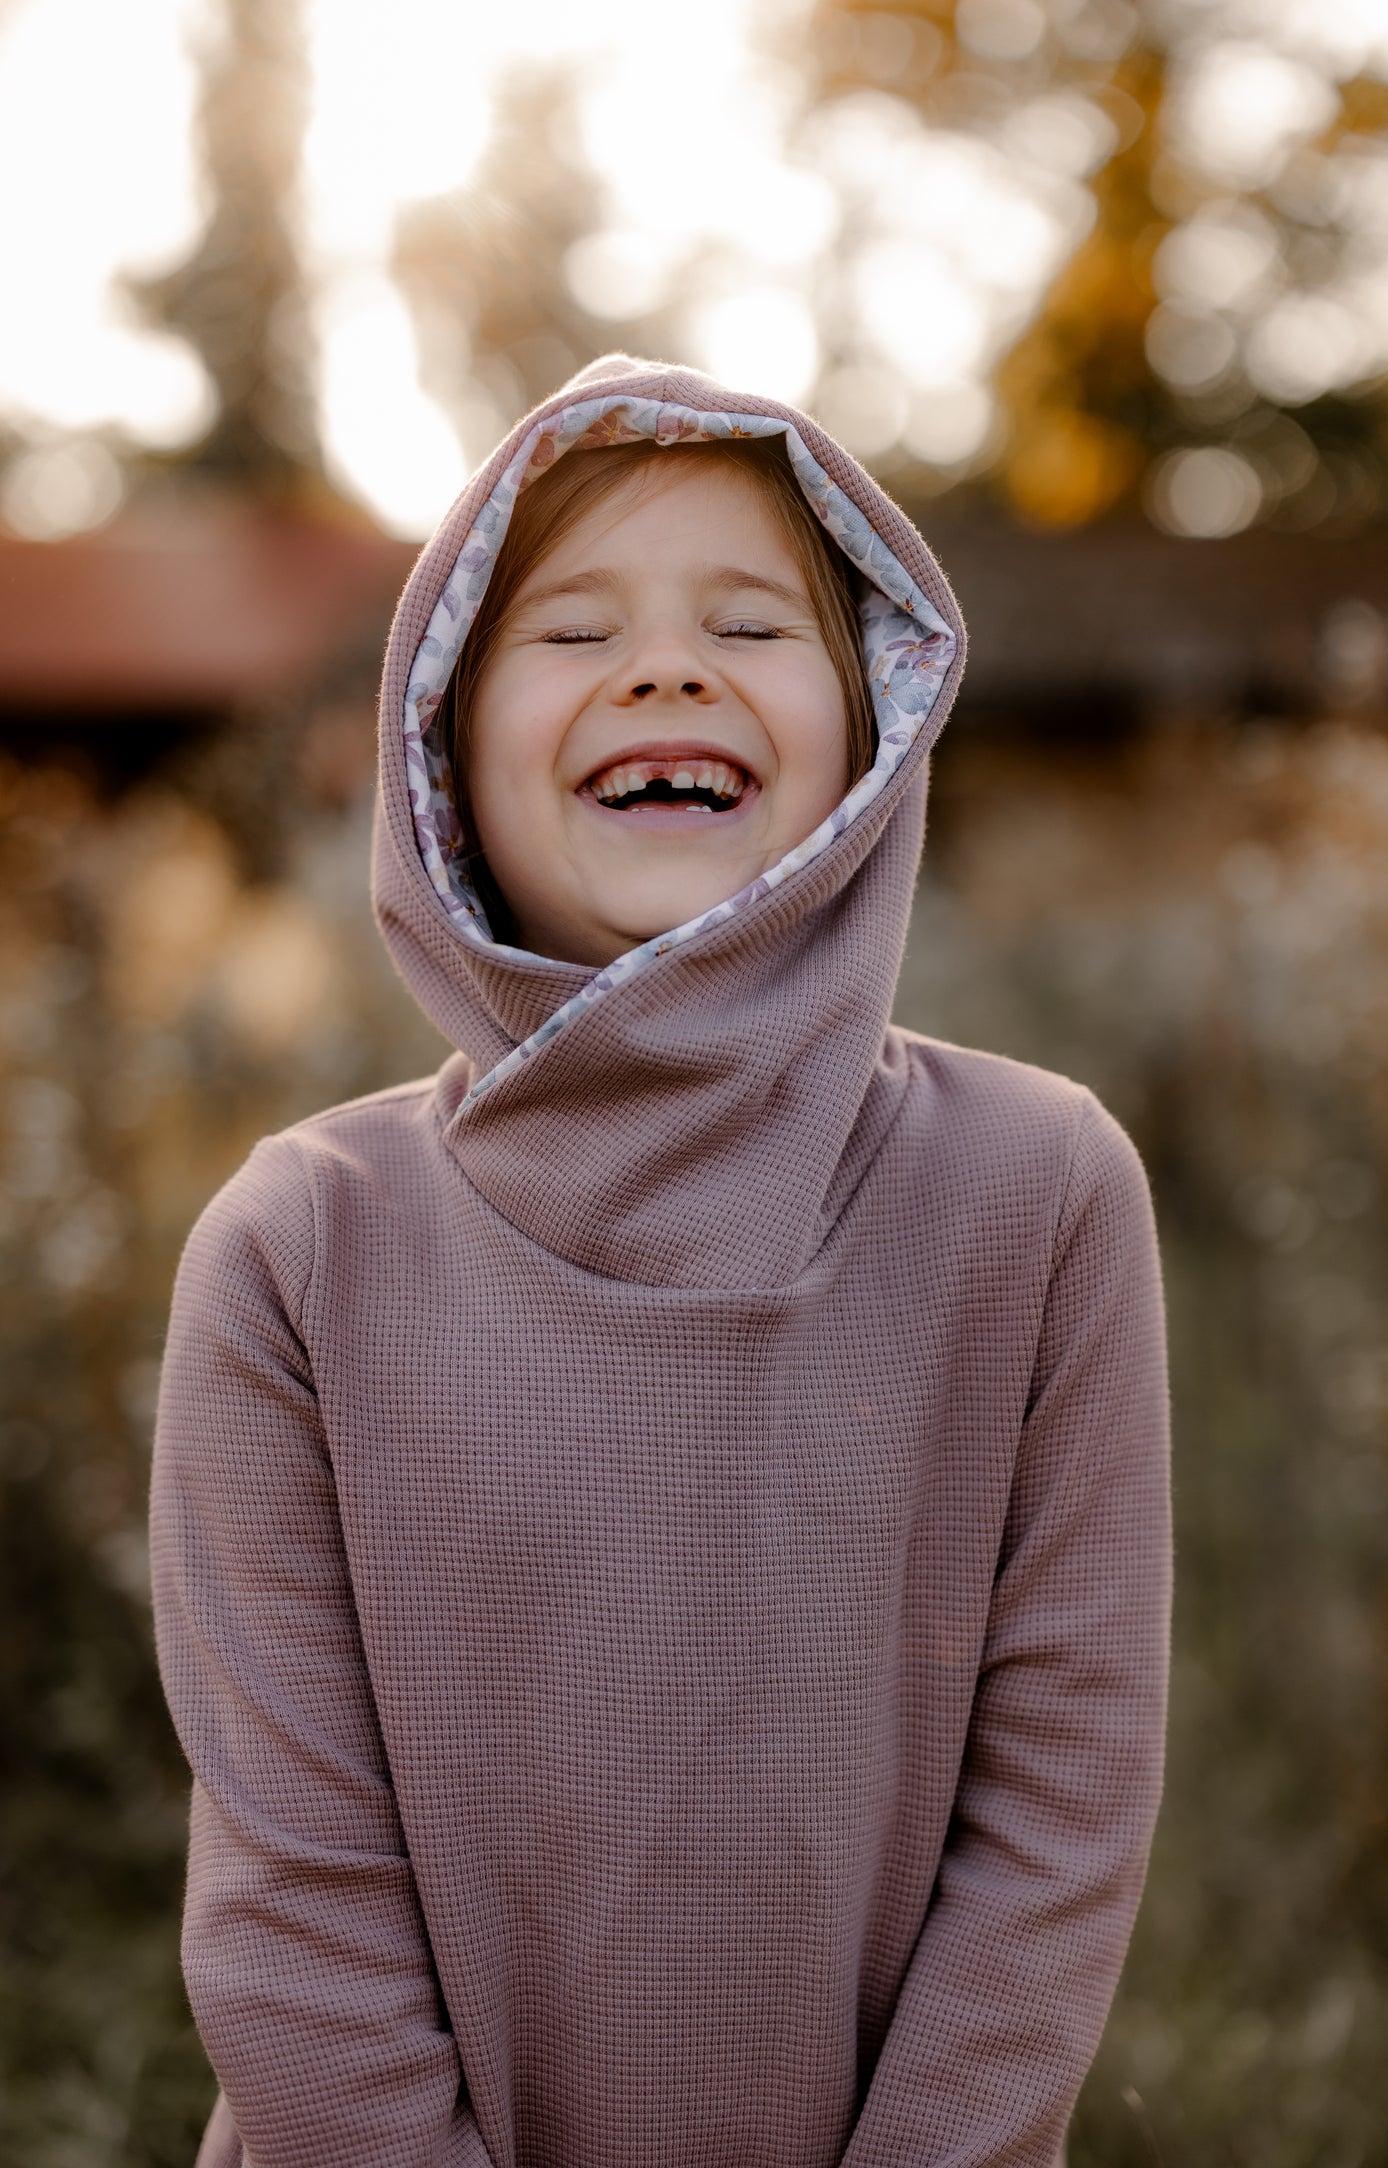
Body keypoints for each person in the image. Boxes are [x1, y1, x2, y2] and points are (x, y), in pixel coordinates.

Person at [150, 353, 1172, 2168]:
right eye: (571, 632)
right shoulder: (298, 1249)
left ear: (873, 731)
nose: (667, 668)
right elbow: (293, 1915)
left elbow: (1058, 1821)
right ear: (439, 753)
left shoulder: (1038, 1195)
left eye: (751, 625)